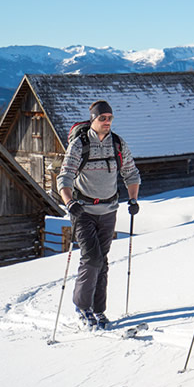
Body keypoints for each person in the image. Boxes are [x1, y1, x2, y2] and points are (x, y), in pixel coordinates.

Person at [58, 100, 141, 330]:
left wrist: (133, 199)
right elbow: (64, 177)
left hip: (109, 210)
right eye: (102, 118)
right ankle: (82, 307)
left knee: (102, 260)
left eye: (110, 118)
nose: (107, 122)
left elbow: (131, 174)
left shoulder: (117, 144)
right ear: (92, 120)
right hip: (82, 210)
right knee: (92, 258)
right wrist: (69, 202)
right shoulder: (79, 145)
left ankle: (98, 310)